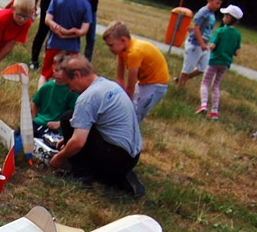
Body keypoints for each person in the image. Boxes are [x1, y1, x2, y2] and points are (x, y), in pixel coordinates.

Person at [48, 56, 145, 197]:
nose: (70, 90)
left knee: (68, 118)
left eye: (69, 85)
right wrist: (68, 140)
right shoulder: (108, 85)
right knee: (75, 119)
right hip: (132, 156)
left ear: (77, 75)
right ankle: (115, 176)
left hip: (116, 158)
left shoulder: (87, 98)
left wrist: (59, 158)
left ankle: (82, 175)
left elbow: (78, 142)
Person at [102, 20, 170, 122]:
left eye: (111, 45)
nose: (109, 49)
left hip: (156, 85)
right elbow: (120, 79)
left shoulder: (134, 52)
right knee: (128, 110)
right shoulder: (122, 50)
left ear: (123, 40)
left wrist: (125, 104)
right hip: (144, 82)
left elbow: (130, 86)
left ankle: (130, 135)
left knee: (134, 114)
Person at [40, 0, 93, 86]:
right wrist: (71, 33)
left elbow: (47, 19)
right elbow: (84, 30)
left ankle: (40, 98)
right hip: (72, 47)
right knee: (69, 77)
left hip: (54, 43)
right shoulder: (85, 5)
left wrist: (56, 28)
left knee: (45, 74)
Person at [198, 5, 243, 120]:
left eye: (225, 16)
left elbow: (212, 45)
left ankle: (203, 104)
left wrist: (209, 44)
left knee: (205, 82)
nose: (223, 18)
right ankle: (214, 111)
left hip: (214, 61)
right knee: (216, 85)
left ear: (229, 18)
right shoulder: (237, 35)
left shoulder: (220, 31)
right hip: (225, 63)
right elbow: (237, 52)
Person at [177, 0, 223, 88]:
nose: (218, 6)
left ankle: (181, 79)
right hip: (195, 44)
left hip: (204, 44)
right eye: (217, 3)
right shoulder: (203, 12)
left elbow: (202, 27)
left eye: (220, 4)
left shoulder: (211, 13)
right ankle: (180, 86)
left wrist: (193, 30)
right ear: (210, 0)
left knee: (202, 68)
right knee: (187, 69)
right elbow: (197, 27)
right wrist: (201, 42)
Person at [32, 51, 79, 136]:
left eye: (63, 72)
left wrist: (59, 124)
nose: (59, 74)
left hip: (56, 129)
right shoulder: (46, 86)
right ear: (53, 68)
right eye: (57, 70)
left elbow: (75, 113)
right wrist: (34, 119)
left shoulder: (72, 91)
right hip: (39, 122)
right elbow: (35, 103)